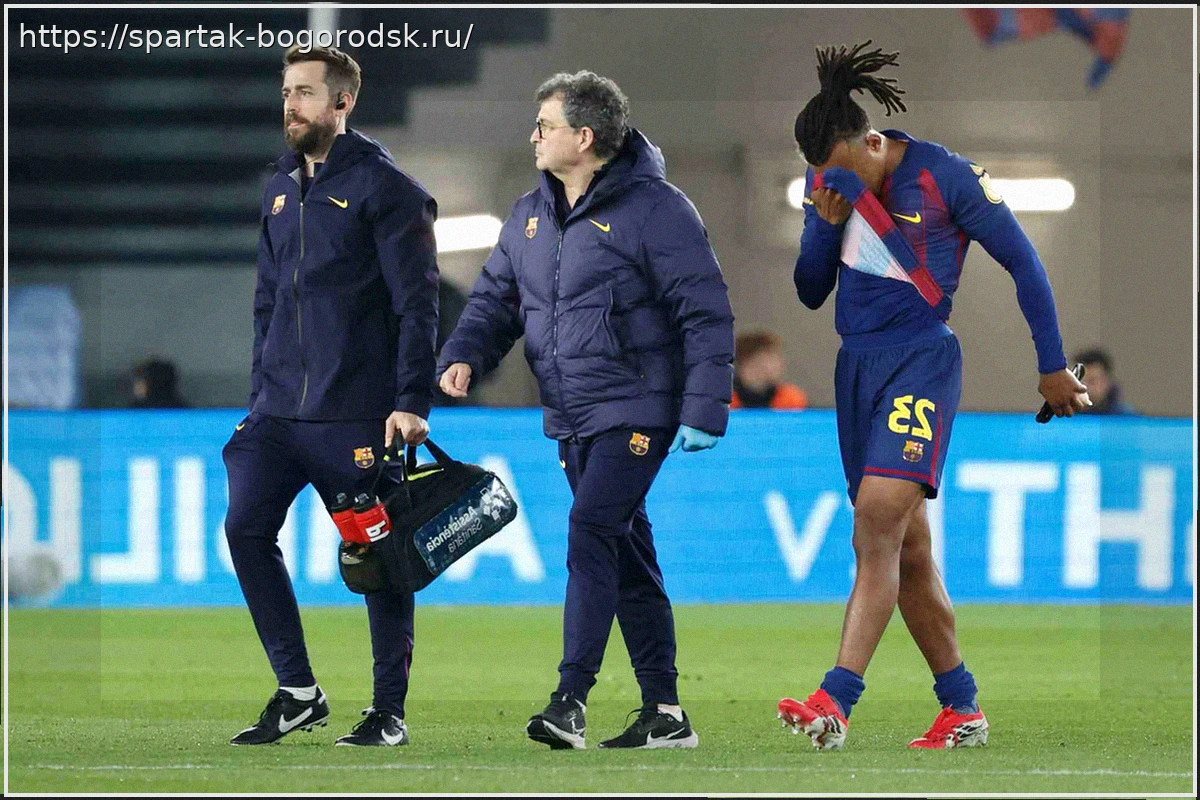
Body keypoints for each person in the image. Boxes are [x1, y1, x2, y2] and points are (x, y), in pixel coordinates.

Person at [779, 42, 1090, 751]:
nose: (836, 183)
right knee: (908, 551)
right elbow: (808, 290)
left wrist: (1050, 365)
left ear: (873, 142)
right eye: (824, 174)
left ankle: (835, 700)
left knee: (875, 520)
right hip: (856, 370)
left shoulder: (945, 176)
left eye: (845, 170)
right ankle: (961, 708)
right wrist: (824, 225)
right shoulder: (826, 183)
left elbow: (1024, 263)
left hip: (921, 361)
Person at [437, 71, 735, 750]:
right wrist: (464, 354)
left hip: (638, 405)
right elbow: (494, 300)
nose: (533, 136)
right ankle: (666, 712)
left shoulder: (659, 210)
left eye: (545, 125)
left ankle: (569, 700)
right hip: (572, 412)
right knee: (627, 554)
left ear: (584, 136)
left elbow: (705, 311)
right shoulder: (528, 215)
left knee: (592, 530)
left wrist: (703, 407)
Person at [223, 45, 439, 748]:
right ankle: (297, 691)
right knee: (245, 528)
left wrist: (411, 401)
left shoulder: (388, 189)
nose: (292, 105)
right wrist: (260, 392)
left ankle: (387, 712)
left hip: (355, 411)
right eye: (288, 92)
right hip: (278, 411)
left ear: (342, 103)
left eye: (306, 93)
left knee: (380, 557)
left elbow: (417, 306)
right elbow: (266, 302)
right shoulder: (279, 186)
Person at [731, 331, 808, 410]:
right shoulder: (727, 400)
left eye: (773, 359)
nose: (768, 367)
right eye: (759, 361)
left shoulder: (791, 399)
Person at [1072, 347, 1136, 415]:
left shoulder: (1124, 417)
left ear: (1106, 381)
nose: (1083, 386)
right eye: (1078, 381)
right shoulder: (1066, 415)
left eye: (1091, 381)